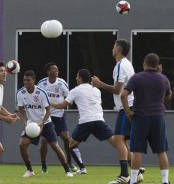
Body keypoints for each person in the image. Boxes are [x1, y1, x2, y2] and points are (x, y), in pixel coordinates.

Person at [91, 39, 144, 183]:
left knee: (119, 140)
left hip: (127, 105)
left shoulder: (121, 65)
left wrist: (99, 83)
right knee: (124, 141)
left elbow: (117, 89)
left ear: (118, 49)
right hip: (131, 105)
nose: (112, 49)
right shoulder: (126, 64)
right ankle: (137, 172)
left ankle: (124, 175)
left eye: (114, 46)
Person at [50, 69, 116, 175]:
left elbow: (62, 105)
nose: (76, 78)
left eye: (77, 76)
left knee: (71, 146)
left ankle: (82, 168)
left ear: (80, 78)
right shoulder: (96, 90)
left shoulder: (75, 90)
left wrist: (49, 103)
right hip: (99, 120)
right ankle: (133, 162)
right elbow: (95, 104)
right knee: (117, 144)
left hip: (86, 122)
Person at [121, 53, 172, 184]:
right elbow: (168, 97)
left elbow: (123, 95)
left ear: (144, 63)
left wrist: (128, 113)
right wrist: (160, 75)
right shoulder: (163, 79)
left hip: (140, 117)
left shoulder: (137, 78)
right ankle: (165, 181)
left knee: (137, 151)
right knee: (161, 151)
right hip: (158, 117)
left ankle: (133, 181)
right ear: (158, 65)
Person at [16, 70, 73, 177]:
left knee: (55, 145)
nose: (26, 82)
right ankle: (30, 170)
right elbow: (21, 110)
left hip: (46, 123)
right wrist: (24, 122)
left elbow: (48, 111)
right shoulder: (20, 93)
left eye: (28, 80)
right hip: (31, 124)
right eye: (24, 80)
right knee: (22, 144)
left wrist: (42, 123)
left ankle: (67, 171)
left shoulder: (41, 93)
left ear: (34, 81)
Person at [37, 62, 79, 173]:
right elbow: (36, 97)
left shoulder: (61, 83)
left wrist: (67, 104)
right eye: (54, 69)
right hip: (46, 116)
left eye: (57, 69)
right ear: (48, 72)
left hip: (59, 116)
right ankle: (44, 165)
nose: (57, 71)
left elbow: (68, 97)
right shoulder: (41, 84)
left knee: (66, 137)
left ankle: (69, 161)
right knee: (45, 141)